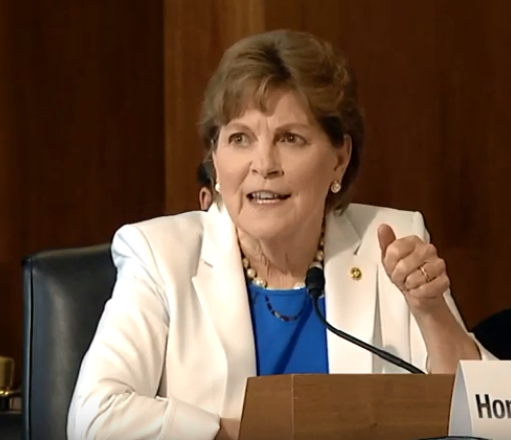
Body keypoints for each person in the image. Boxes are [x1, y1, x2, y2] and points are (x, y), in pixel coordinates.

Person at [67, 30, 495, 440]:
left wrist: (431, 313)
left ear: (339, 158)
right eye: (240, 138)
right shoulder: (160, 256)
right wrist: (243, 434)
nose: (264, 163)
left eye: (290, 138)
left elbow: (491, 415)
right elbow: (93, 417)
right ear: (215, 161)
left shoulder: (390, 242)